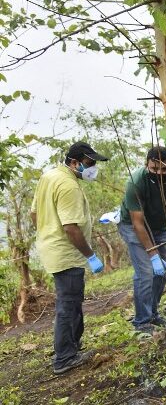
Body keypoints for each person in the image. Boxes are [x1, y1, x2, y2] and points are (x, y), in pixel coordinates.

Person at [31, 141, 109, 374]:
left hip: (51, 248)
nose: (92, 167)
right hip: (66, 252)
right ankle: (64, 357)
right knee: (68, 303)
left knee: (71, 300)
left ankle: (70, 347)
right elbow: (71, 228)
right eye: (89, 163)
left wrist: (47, 233)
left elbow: (34, 213)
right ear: (74, 162)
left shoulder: (50, 176)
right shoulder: (69, 186)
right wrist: (91, 255)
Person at [117, 146, 166, 332]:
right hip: (133, 226)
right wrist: (153, 256)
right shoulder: (136, 183)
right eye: (154, 169)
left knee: (162, 273)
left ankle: (152, 313)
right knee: (146, 272)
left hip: (158, 226)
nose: (159, 173)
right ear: (147, 165)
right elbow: (138, 224)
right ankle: (142, 322)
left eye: (164, 169)